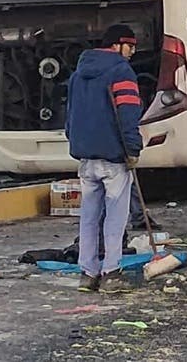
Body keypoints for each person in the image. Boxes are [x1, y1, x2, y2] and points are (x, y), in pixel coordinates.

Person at [66, 24, 143, 293]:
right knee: (115, 218)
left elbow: (70, 115)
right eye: (130, 46)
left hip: (85, 157)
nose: (132, 52)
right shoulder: (121, 72)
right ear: (116, 45)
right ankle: (111, 272)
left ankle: (87, 274)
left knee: (88, 217)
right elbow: (128, 115)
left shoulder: (78, 74)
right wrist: (133, 149)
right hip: (113, 157)